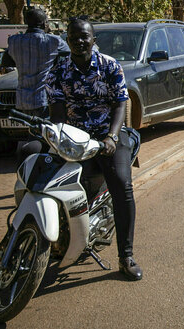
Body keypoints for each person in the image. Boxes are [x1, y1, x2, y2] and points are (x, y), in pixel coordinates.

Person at [44, 19, 143, 280]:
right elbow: (56, 112)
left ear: (93, 40)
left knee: (122, 186)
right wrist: (57, 140)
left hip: (107, 135)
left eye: (84, 36)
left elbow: (121, 105)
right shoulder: (57, 71)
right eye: (73, 36)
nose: (79, 41)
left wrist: (111, 137)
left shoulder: (110, 66)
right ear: (67, 39)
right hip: (74, 138)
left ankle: (126, 256)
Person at [2, 9, 70, 157]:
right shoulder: (53, 41)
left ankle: (32, 158)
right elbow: (70, 54)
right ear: (44, 23)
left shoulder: (13, 41)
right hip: (43, 98)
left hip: (22, 99)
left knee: (32, 132)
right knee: (44, 135)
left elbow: (6, 61)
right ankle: (40, 163)